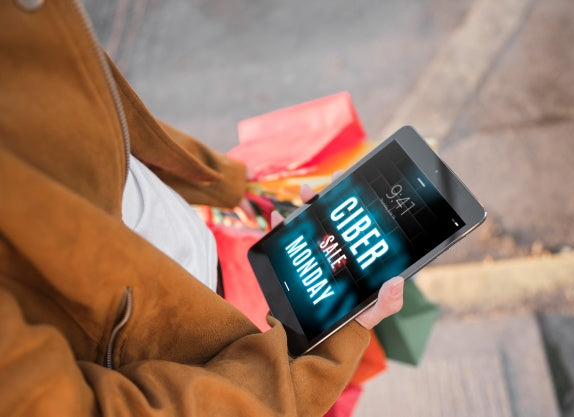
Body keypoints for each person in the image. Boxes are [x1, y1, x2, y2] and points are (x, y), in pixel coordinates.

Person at [0, 1, 403, 416]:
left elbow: (93, 111)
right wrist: (310, 365)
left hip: (214, 280)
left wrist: (226, 182)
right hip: (199, 366)